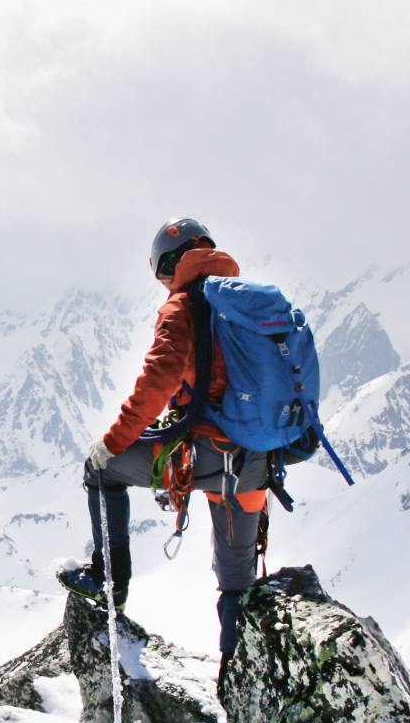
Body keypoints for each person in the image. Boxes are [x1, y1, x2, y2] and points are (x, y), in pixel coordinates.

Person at [57, 217, 269, 657]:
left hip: (210, 454)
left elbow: (159, 380)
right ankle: (240, 691)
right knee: (237, 585)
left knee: (101, 470)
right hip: (257, 465)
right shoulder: (251, 305)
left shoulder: (184, 306)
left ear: (169, 267)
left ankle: (108, 582)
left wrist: (114, 441)